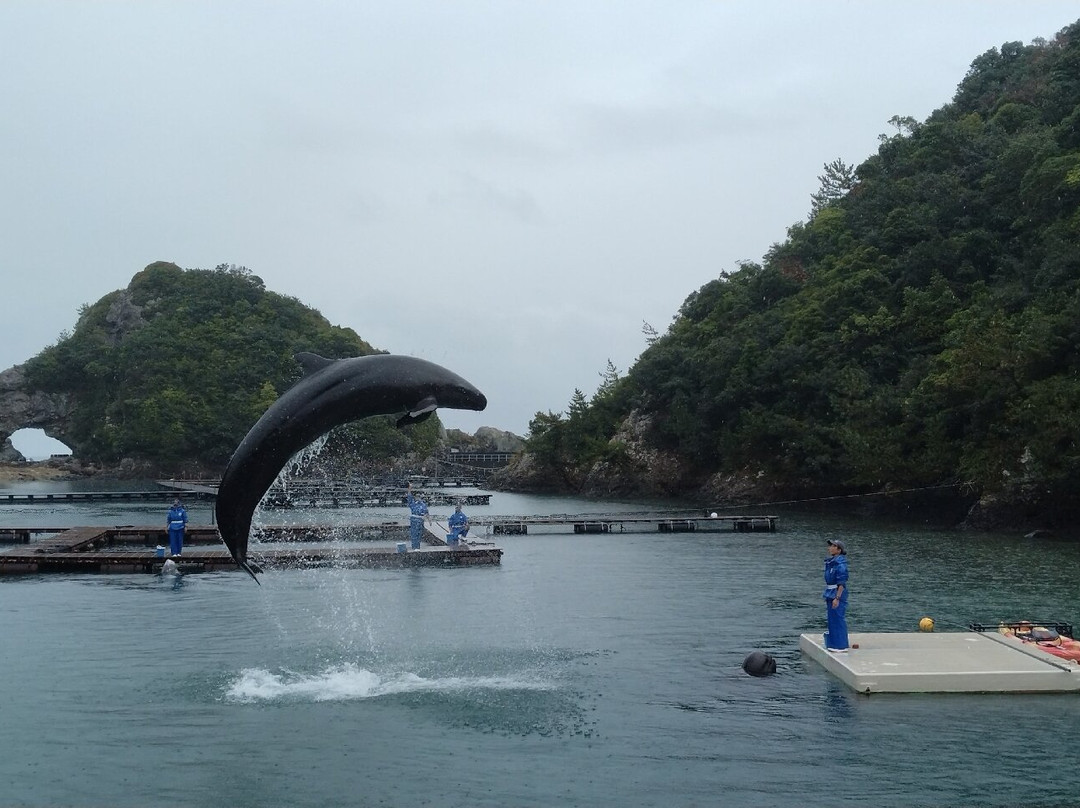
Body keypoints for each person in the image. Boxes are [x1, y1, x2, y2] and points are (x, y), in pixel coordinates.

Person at [822, 538, 849, 652]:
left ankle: (841, 645)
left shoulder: (840, 564)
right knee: (832, 619)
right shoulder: (831, 563)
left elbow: (841, 582)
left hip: (836, 593)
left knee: (838, 618)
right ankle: (833, 643)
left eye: (833, 546)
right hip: (830, 591)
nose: (830, 548)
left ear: (839, 550)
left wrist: (837, 598)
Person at [405, 482, 430, 551]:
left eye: (419, 496)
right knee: (414, 534)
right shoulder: (413, 504)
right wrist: (409, 488)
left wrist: (429, 521)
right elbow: (409, 496)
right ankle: (414, 547)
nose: (418, 497)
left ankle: (417, 547)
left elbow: (426, 512)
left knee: (419, 534)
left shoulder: (423, 504)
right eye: (416, 496)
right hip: (414, 520)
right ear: (415, 497)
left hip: (420, 521)